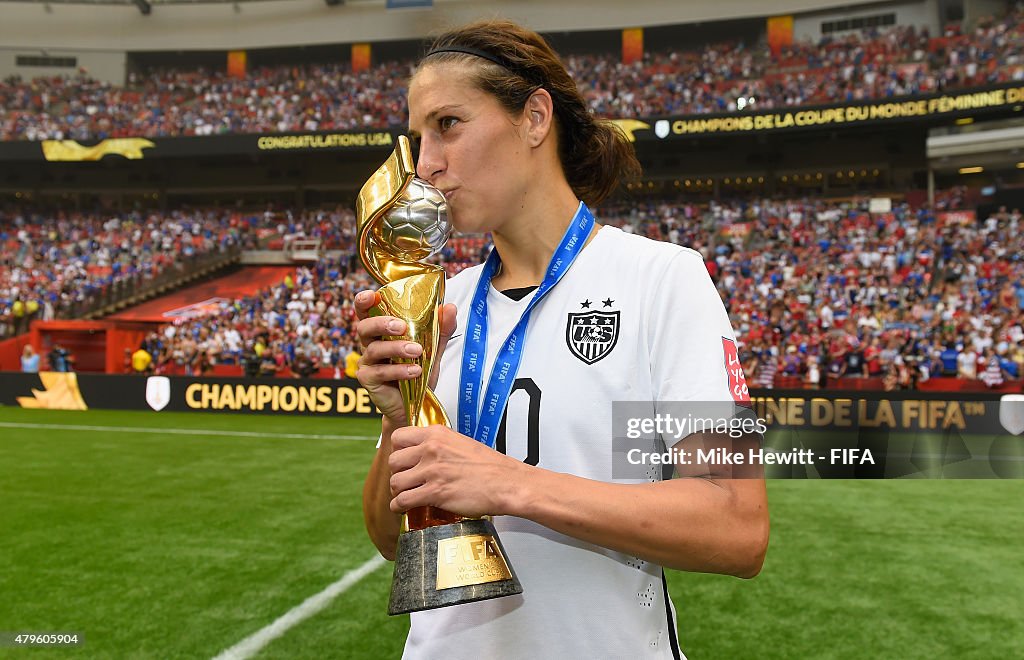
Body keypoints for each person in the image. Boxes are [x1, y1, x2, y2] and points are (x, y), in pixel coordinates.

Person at [355, 20, 768, 659]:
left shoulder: (660, 279)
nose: (427, 163)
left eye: (448, 125)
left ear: (534, 118)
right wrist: (398, 419)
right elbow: (392, 539)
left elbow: (738, 526)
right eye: (417, 137)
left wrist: (512, 484)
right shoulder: (445, 301)